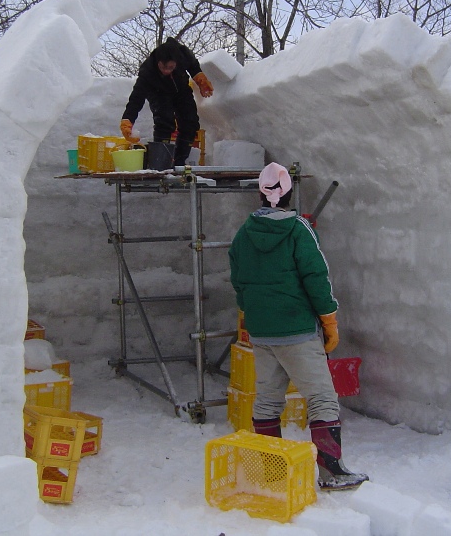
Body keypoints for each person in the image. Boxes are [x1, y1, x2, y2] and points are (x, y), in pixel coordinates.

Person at [228, 162, 368, 490]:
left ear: (259, 195)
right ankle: (332, 473)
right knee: (321, 398)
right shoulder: (298, 230)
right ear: (289, 192)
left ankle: (272, 472)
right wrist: (329, 319)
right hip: (297, 331)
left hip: (261, 332)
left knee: (267, 400)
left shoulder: (243, 235)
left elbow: (239, 283)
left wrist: (255, 313)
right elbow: (316, 278)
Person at [119, 37, 213, 167]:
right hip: (158, 92)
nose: (167, 71)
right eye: (163, 67)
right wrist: (127, 119)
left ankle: (179, 163)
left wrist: (199, 76)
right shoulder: (147, 72)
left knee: (190, 123)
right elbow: (136, 98)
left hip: (180, 89)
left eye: (171, 67)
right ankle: (161, 164)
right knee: (165, 122)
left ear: (176, 62)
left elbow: (192, 64)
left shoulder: (182, 54)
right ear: (158, 62)